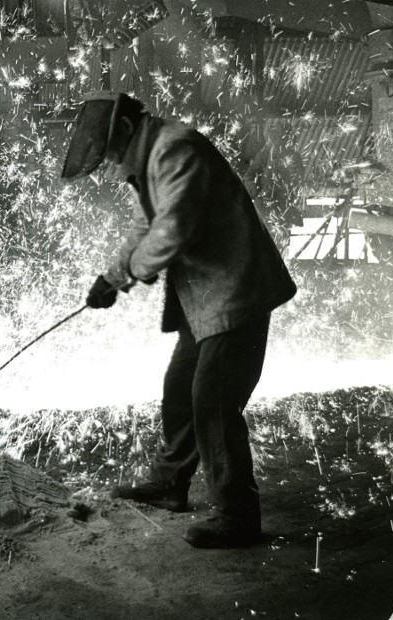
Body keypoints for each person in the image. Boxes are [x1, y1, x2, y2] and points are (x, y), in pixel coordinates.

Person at [61, 91, 297, 549]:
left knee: (213, 399)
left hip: (236, 290)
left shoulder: (175, 147)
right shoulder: (148, 159)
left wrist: (127, 274)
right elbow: (145, 227)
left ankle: (237, 516)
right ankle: (170, 483)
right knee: (179, 386)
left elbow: (174, 228)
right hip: (205, 297)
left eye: (110, 149)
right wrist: (111, 276)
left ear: (127, 129)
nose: (110, 161)